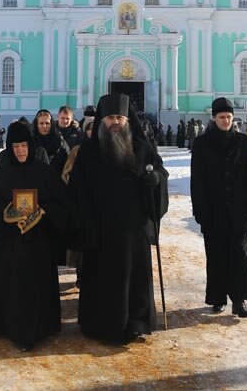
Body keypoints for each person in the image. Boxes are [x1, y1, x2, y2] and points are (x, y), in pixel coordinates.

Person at [67, 93, 169, 344]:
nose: (116, 122)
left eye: (120, 118)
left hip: (134, 229)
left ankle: (136, 324)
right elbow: (77, 191)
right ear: (102, 120)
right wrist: (84, 223)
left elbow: (160, 172)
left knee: (135, 280)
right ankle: (100, 325)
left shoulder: (142, 148)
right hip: (100, 230)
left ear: (127, 120)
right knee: (103, 280)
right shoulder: (89, 153)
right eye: (111, 117)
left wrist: (155, 179)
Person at [0, 121, 73, 352]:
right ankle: (11, 328)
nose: (20, 150)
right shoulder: (2, 174)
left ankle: (40, 327)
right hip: (9, 245)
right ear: (10, 148)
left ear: (30, 145)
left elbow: (61, 203)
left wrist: (43, 211)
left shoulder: (44, 172)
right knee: (12, 289)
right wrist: (6, 213)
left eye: (23, 145)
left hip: (38, 246)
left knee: (36, 288)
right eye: (15, 146)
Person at [190, 97, 247, 318]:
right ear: (214, 118)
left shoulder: (242, 141)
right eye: (222, 117)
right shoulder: (202, 143)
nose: (226, 120)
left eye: (229, 117)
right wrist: (200, 211)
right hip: (213, 211)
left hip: (238, 210)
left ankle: (239, 301)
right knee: (217, 255)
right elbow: (197, 181)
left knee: (239, 255)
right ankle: (218, 298)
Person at [60, 115, 95, 287]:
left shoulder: (107, 148)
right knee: (82, 242)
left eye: (94, 127)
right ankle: (81, 274)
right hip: (82, 202)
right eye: (89, 128)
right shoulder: (77, 150)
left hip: (100, 204)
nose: (91, 131)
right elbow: (66, 173)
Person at [33, 109, 71, 178]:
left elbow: (68, 161)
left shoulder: (59, 140)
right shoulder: (31, 142)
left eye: (47, 123)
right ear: (37, 125)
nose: (44, 126)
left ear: (52, 124)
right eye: (41, 123)